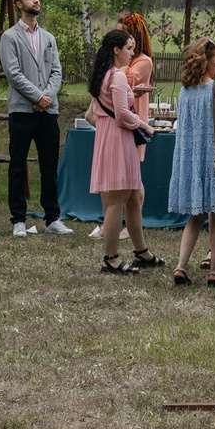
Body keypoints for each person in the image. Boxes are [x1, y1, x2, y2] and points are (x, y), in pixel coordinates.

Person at [165, 37, 215, 285]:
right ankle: (214, 272)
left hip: (192, 162)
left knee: (196, 217)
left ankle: (180, 266)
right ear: (206, 61)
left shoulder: (185, 91)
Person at [0, 0, 69, 235]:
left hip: (48, 112)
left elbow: (56, 71)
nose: (36, 0)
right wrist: (37, 96)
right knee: (18, 165)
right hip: (22, 111)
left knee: (49, 165)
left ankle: (52, 218)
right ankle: (18, 220)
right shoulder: (9, 37)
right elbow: (13, 73)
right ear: (19, 5)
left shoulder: (49, 38)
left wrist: (47, 97)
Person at [87, 28, 155, 274]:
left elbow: (97, 111)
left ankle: (141, 251)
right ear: (116, 50)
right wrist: (145, 125)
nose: (132, 53)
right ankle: (111, 257)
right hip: (118, 139)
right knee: (117, 200)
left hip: (110, 137)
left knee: (134, 196)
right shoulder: (116, 76)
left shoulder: (104, 74)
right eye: (128, 48)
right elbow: (123, 115)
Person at [118, 12, 156, 128]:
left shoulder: (144, 62)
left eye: (121, 34)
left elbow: (125, 81)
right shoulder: (117, 60)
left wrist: (128, 50)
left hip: (134, 124)